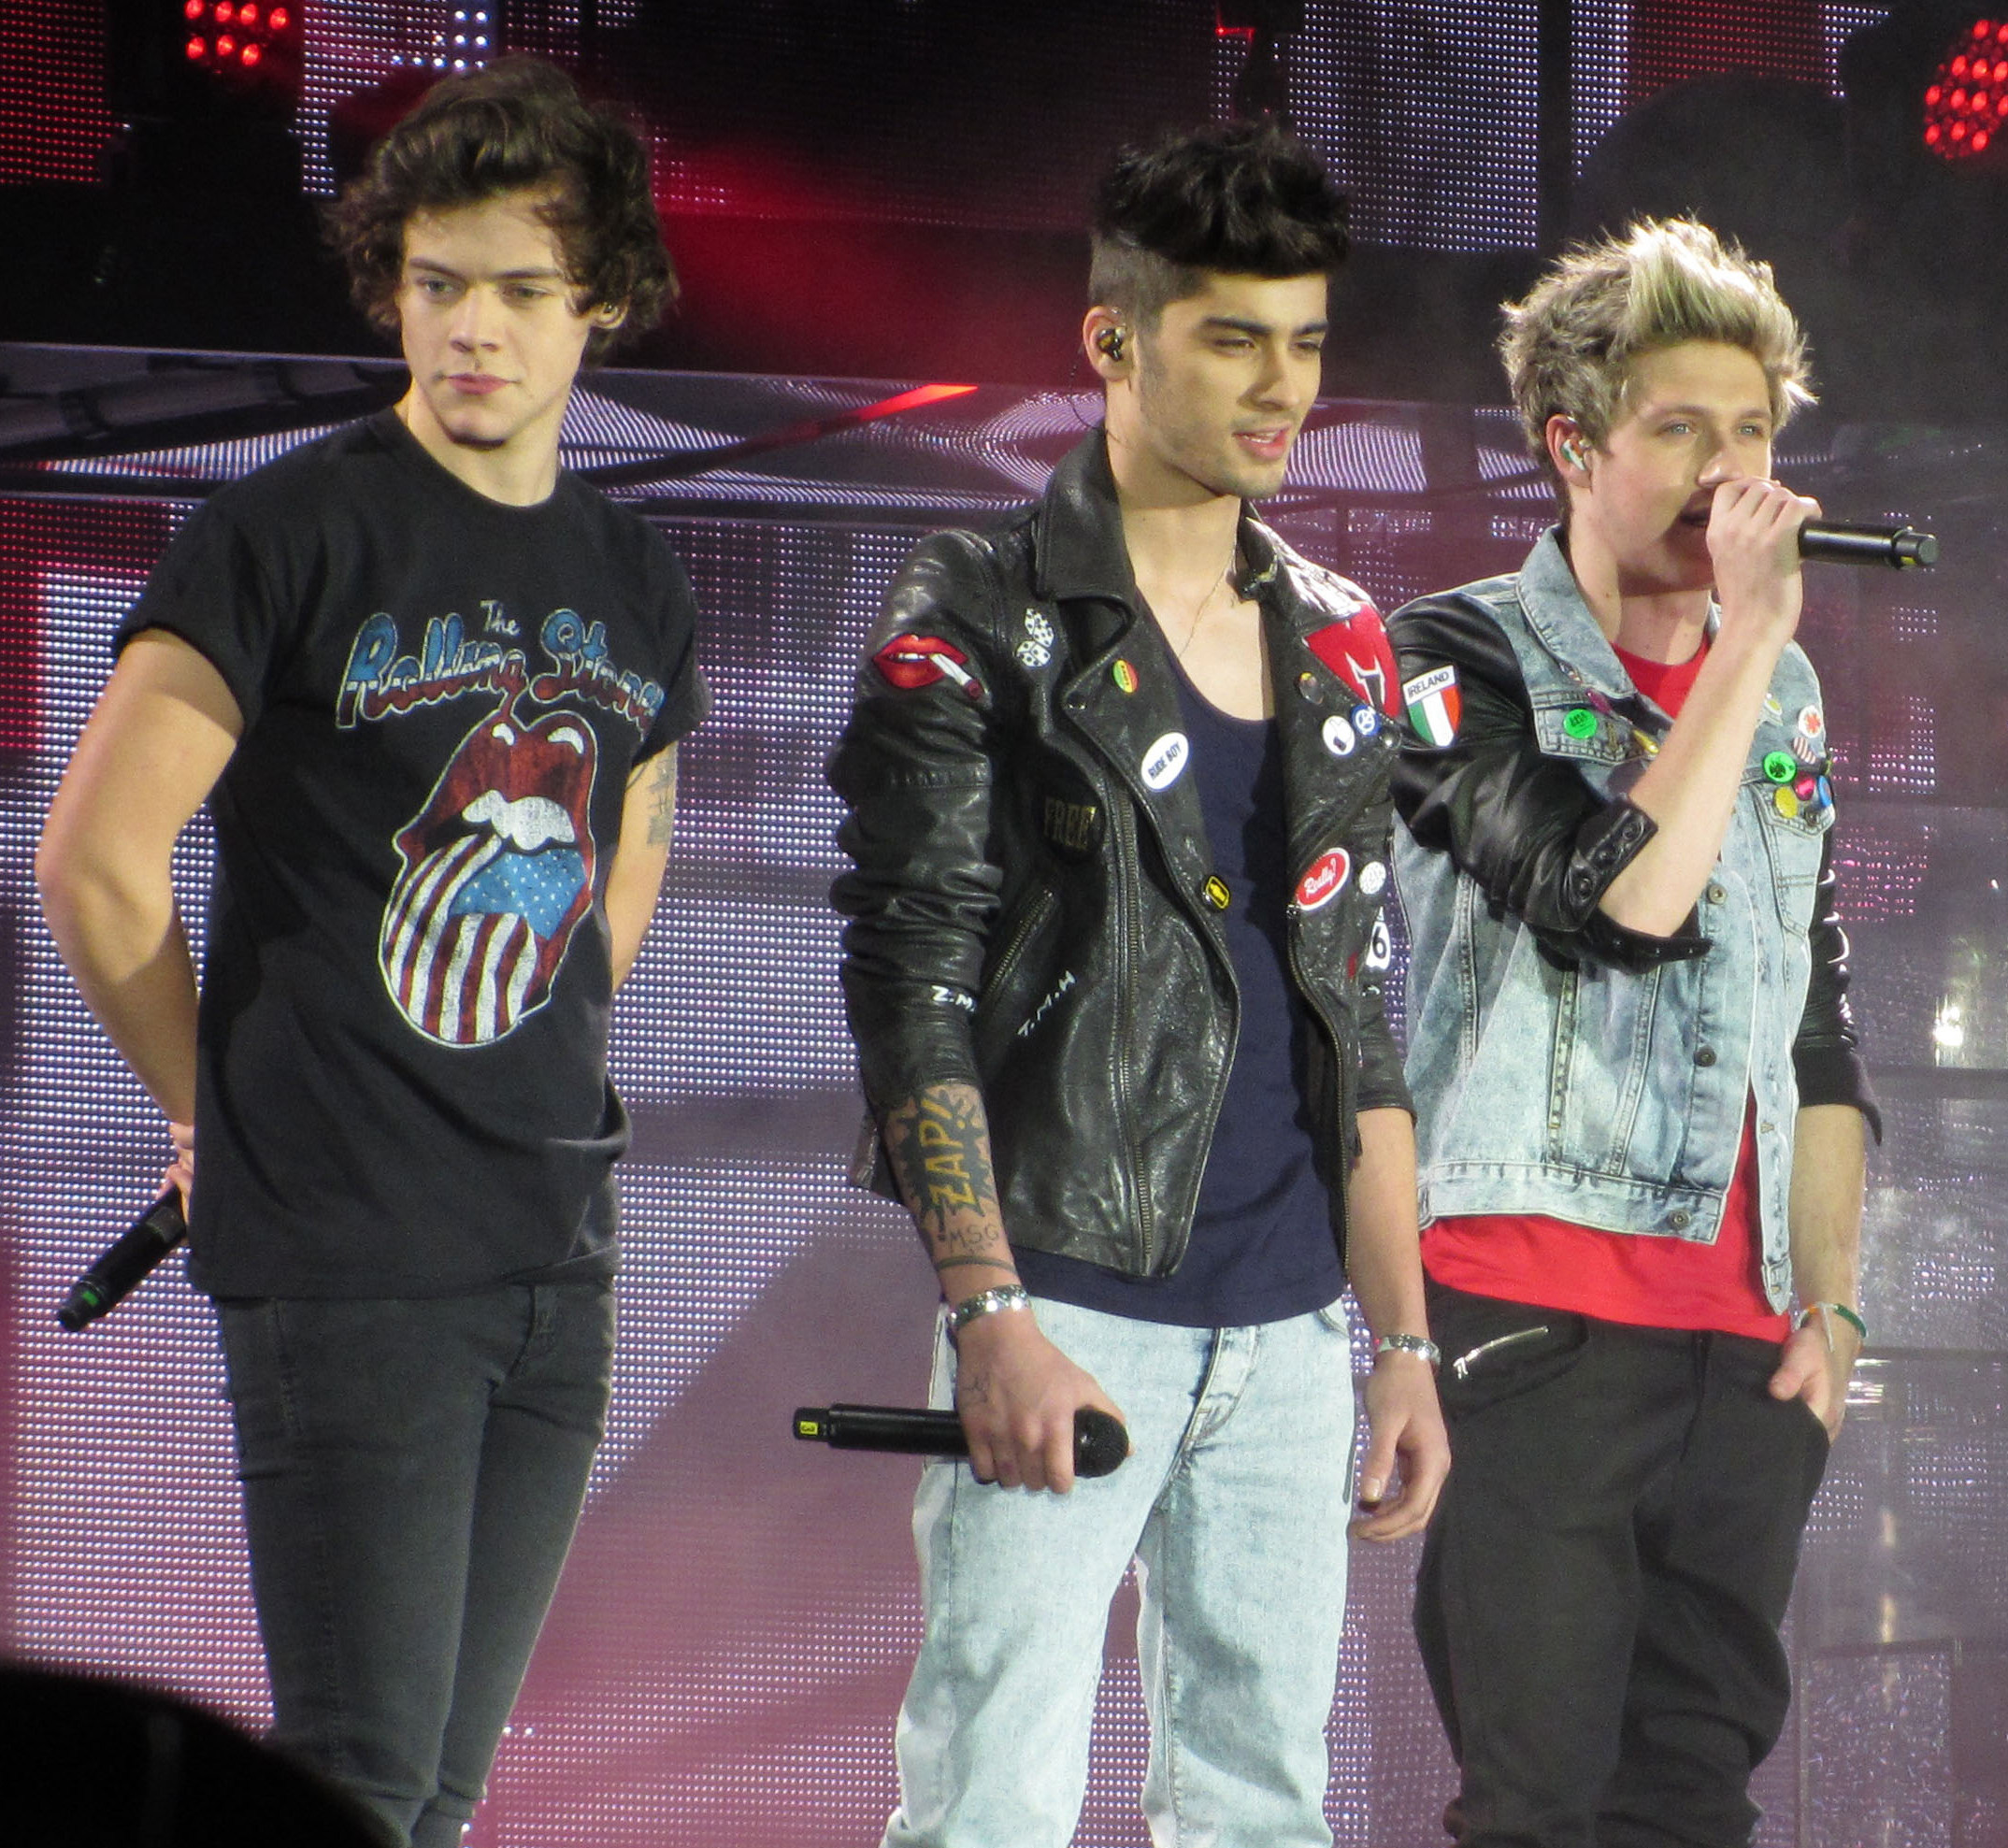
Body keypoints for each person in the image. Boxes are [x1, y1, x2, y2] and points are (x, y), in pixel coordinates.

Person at [35, 57, 694, 1848]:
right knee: (361, 1778)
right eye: (435, 283)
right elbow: (96, 864)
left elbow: (628, 843)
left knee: (440, 1793)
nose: (472, 328)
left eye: (520, 290)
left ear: (602, 304)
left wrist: (553, 1039)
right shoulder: (286, 532)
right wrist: (214, 1110)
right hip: (350, 1249)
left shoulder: (635, 570)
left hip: (555, 1250)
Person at [826, 118, 1445, 1848]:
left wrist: (1401, 1339)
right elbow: (911, 980)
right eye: (1234, 338)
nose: (1282, 386)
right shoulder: (978, 603)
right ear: (1112, 339)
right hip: (1069, 1301)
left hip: (1293, 1321)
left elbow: (1357, 1011)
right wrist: (988, 1314)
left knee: (1264, 1810)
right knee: (991, 1805)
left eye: (1304, 340)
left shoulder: (1339, 634)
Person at [1384, 217, 1873, 1848]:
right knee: (1536, 1805)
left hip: (1745, 1350)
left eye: (1752, 434)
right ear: (1572, 447)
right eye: (1679, 431)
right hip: (1536, 1321)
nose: (1728, 476)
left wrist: (1830, 1305)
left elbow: (1815, 1029)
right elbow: (1616, 900)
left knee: (1692, 1799)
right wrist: (1749, 641)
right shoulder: (1451, 654)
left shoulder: (1782, 700)